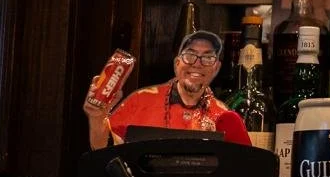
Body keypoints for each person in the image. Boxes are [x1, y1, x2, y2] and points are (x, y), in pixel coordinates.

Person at [83, 30, 249, 148]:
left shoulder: (223, 116)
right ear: (177, 64)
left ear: (215, 68)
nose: (197, 64)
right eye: (190, 55)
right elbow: (103, 149)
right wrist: (97, 117)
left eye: (207, 57)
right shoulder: (141, 100)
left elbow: (240, 172)